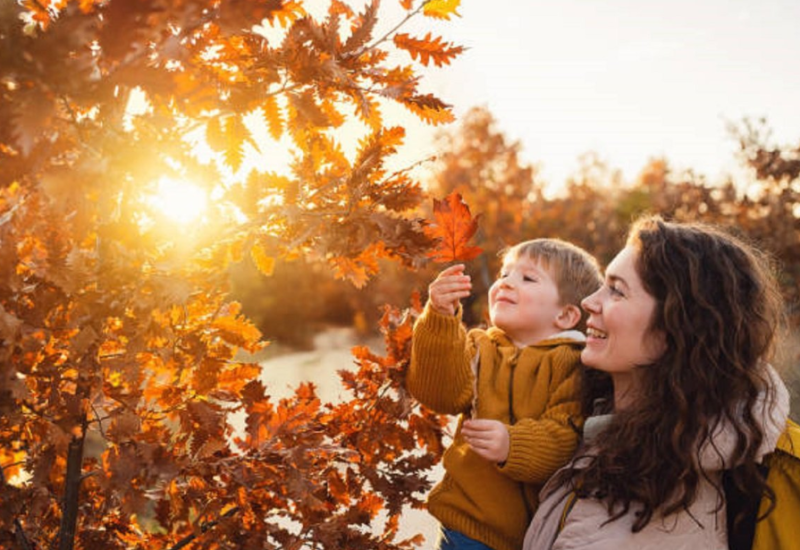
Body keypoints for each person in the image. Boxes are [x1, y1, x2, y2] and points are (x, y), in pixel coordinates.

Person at [523, 216, 791, 550]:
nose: (590, 302)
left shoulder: (669, 508)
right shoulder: (605, 431)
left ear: (675, 329)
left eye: (617, 291)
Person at [407, 239, 603, 550]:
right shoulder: (480, 347)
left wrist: (513, 445)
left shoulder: (572, 363)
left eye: (527, 278)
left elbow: (567, 436)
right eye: (504, 274)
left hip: (540, 534)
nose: (506, 283)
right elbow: (439, 393)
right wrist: (441, 318)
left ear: (565, 316)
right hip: (466, 527)